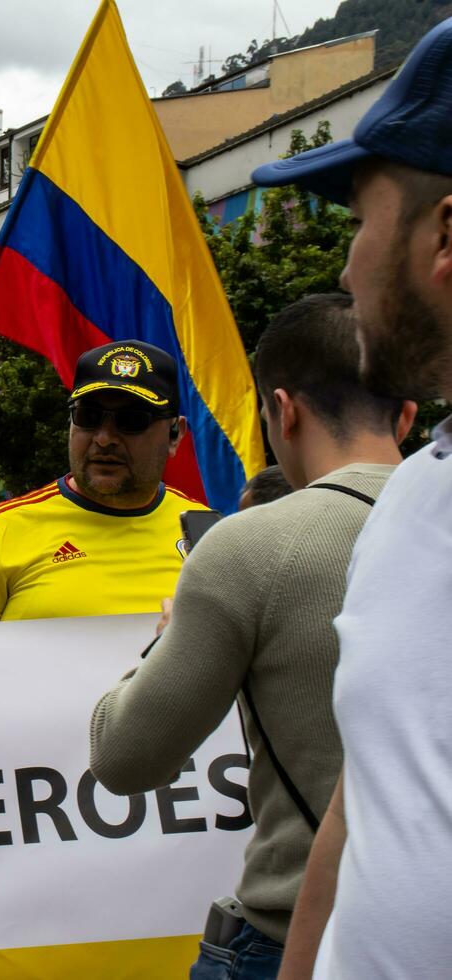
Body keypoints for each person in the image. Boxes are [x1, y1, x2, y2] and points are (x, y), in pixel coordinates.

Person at [88, 295, 415, 980]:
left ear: (282, 412)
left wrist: (168, 635)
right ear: (406, 415)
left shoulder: (252, 546)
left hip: (294, 932)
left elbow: (125, 758)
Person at [252, 17, 452, 979]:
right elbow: (370, 790)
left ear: (445, 233)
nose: (346, 268)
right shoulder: (414, 499)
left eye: (362, 221)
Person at [0, 340, 211, 623]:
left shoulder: (208, 534)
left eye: (132, 420)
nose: (104, 438)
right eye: (89, 417)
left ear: (175, 435)